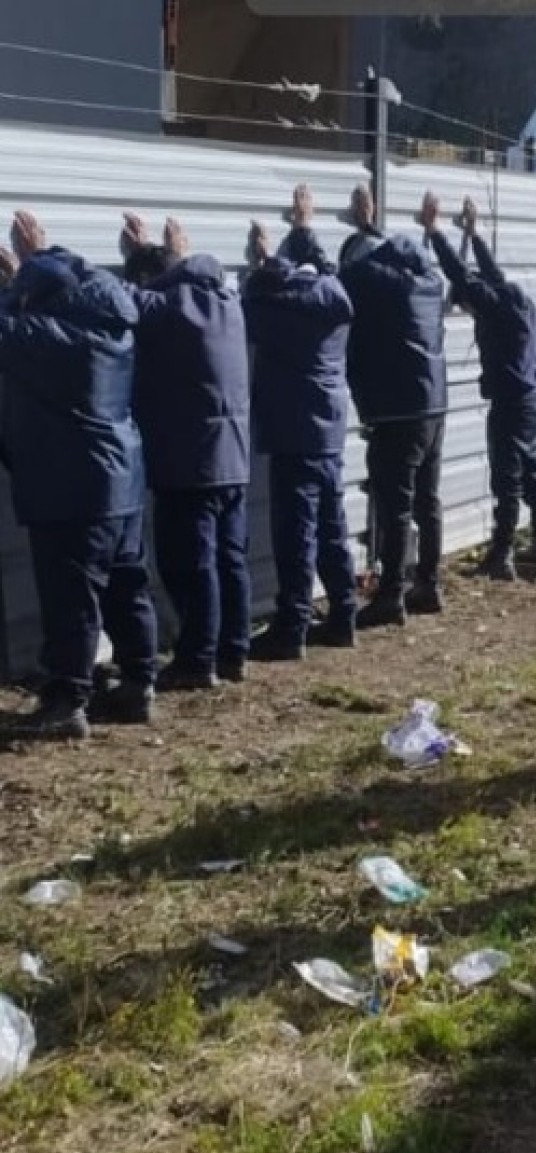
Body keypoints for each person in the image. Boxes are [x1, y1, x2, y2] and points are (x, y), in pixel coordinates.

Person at [0, 211, 157, 739]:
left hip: (71, 488)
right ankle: (138, 683)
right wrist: (29, 268)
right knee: (124, 586)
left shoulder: (45, 335)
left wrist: (22, 270)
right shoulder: (113, 323)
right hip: (121, 480)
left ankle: (67, 701)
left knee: (71, 596)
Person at [118, 213, 252, 690]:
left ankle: (198, 660)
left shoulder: (173, 307)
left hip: (190, 464)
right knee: (229, 560)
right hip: (232, 460)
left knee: (191, 565)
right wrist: (165, 255)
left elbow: (125, 302)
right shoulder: (228, 303)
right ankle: (234, 652)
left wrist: (137, 257)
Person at [244, 185, 358, 660]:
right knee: (332, 527)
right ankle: (344, 615)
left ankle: (291, 628)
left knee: (296, 534)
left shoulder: (275, 310)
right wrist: (304, 228)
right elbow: (326, 268)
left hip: (293, 433)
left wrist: (262, 263)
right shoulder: (335, 298)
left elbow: (252, 300)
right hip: (328, 431)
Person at [421, 191, 536, 578]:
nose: (467, 311)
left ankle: (503, 554)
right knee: (531, 470)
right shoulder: (516, 300)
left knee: (506, 478)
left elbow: (460, 275)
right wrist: (474, 235)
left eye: (466, 307)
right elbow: (489, 273)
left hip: (511, 403)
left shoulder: (494, 306)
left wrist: (435, 231)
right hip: (530, 397)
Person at [339, 184, 448, 628]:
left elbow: (341, 275)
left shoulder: (378, 281)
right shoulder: (429, 282)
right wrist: (371, 226)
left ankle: (390, 596)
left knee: (396, 503)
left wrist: (305, 232)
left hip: (398, 411)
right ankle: (429, 584)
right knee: (428, 500)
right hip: (434, 408)